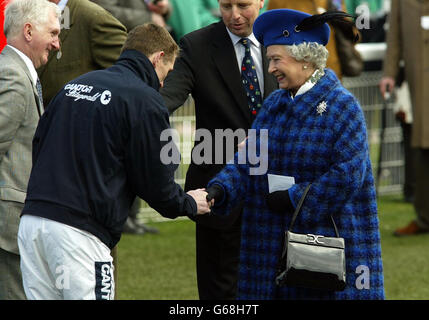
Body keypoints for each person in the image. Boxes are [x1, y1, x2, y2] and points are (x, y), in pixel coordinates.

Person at [17, 23, 211, 300]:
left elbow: (39, 144)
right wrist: (188, 203)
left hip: (33, 223)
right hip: (79, 235)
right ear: (157, 58)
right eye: (166, 72)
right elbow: (157, 180)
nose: (163, 84)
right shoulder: (145, 100)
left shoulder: (74, 86)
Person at [206, 8, 385, 299]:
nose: (271, 68)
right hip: (268, 249)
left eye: (277, 59)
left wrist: (293, 197)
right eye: (269, 60)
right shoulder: (274, 104)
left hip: (324, 250)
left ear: (305, 59)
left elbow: (347, 177)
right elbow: (249, 159)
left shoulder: (342, 107)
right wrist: (219, 189)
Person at [160, 0, 277, 300]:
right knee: (220, 294)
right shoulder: (196, 45)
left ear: (261, 2)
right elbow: (163, 101)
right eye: (226, 5)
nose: (234, 15)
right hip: (217, 192)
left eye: (243, 5)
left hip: (275, 194)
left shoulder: (280, 40)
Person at [0, 0, 61, 300]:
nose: (57, 43)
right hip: (6, 223)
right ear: (28, 31)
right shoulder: (12, 75)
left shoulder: (15, 71)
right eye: (52, 32)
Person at [379, 0, 429, 236]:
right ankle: (423, 217)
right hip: (417, 80)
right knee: (420, 143)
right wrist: (389, 73)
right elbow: (394, 37)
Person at [267, 0, 347, 78]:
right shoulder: (279, 2)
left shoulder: (335, 1)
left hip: (331, 71)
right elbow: (272, 39)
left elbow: (351, 34)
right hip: (297, 77)